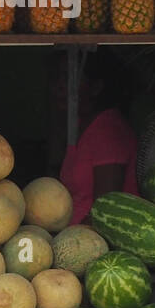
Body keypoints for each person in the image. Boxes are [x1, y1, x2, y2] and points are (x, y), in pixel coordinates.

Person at [57, 50, 140, 224]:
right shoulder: (81, 124)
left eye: (69, 79)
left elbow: (105, 213)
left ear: (96, 87)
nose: (60, 86)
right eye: (59, 77)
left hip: (92, 242)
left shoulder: (108, 131)